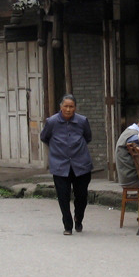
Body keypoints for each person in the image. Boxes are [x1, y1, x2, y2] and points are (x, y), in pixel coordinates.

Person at [40, 94, 93, 235]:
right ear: (61, 107)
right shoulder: (52, 122)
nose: (68, 109)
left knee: (81, 196)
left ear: (75, 108)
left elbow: (88, 137)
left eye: (71, 107)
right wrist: (58, 148)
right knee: (63, 196)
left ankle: (78, 218)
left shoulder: (82, 121)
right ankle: (67, 225)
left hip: (81, 164)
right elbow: (44, 137)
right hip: (60, 165)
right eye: (66, 106)